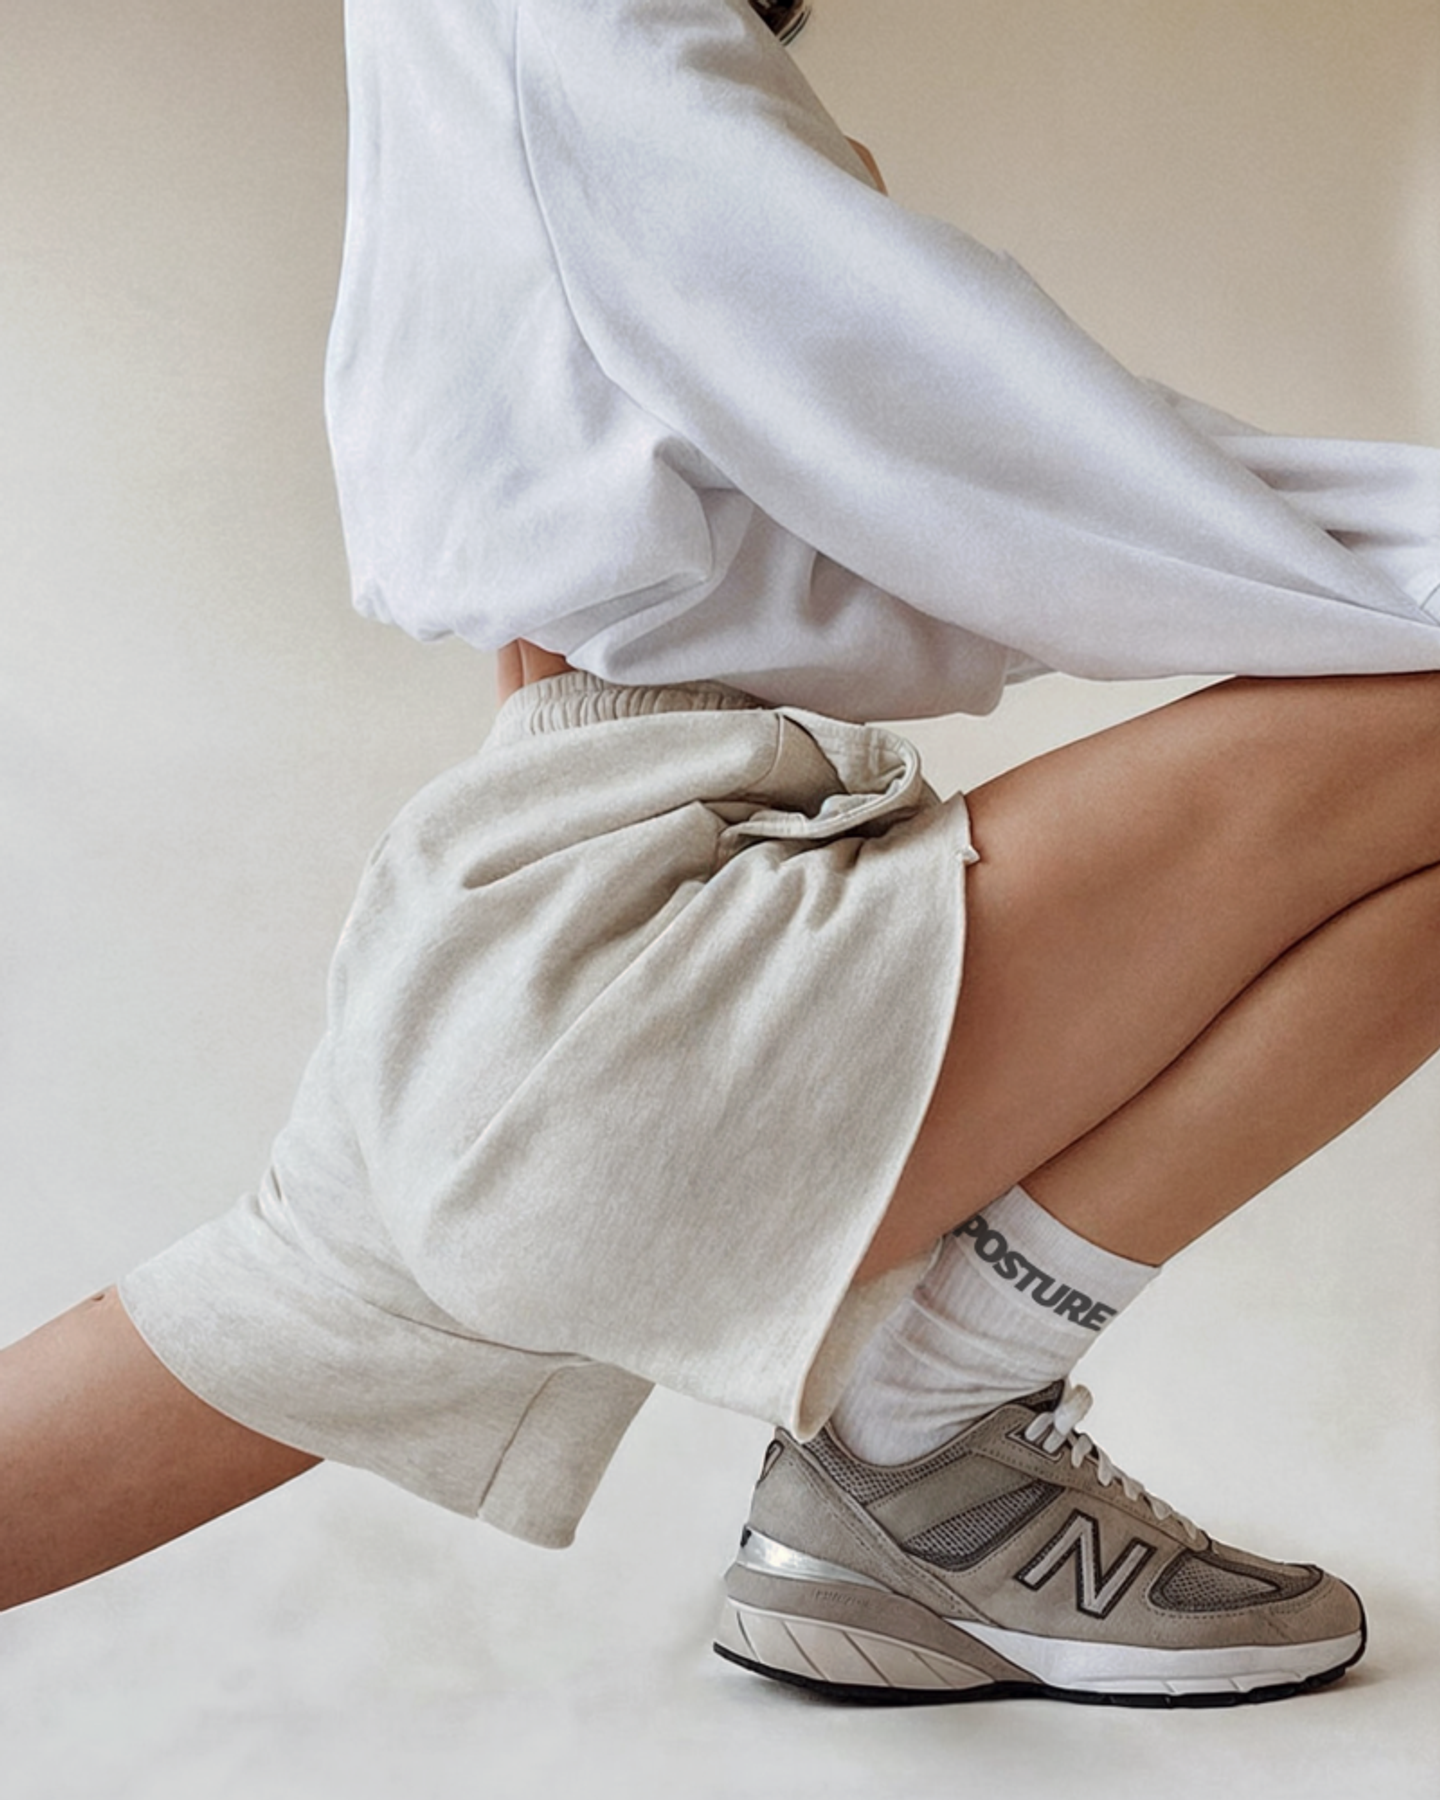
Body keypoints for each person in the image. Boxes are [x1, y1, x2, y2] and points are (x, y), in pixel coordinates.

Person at [3, 0, 1438, 1709]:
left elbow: (861, 528)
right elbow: (1013, 471)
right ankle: (922, 1450)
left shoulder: (487, 49)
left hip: (511, 949)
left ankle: (921, 1467)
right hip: (635, 936)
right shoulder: (581, 29)